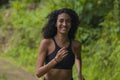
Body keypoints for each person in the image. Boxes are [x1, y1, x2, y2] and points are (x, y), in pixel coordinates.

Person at [36, 8, 84, 80]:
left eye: (68, 21)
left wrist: (79, 72)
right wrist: (55, 60)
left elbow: (77, 58)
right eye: (61, 21)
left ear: (71, 24)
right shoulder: (46, 43)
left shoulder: (76, 45)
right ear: (55, 23)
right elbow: (38, 73)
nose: (64, 24)